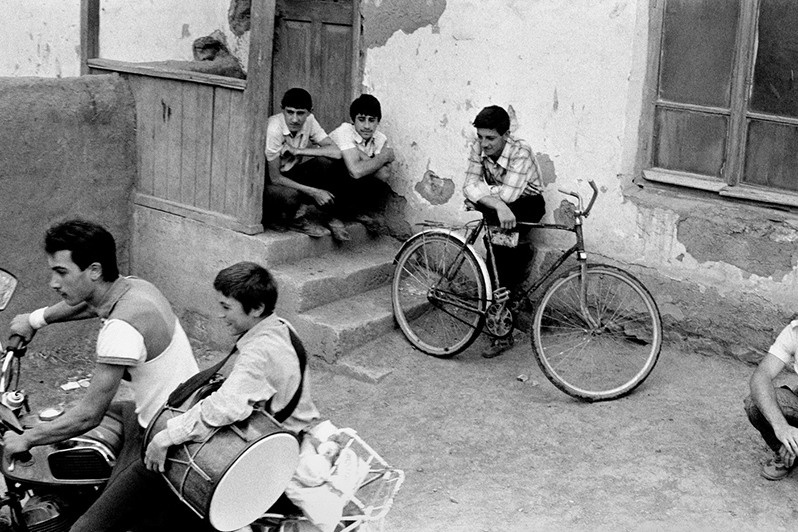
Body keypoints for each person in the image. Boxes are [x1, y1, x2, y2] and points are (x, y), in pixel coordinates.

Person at [3, 219, 201, 531]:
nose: (53, 282)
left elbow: (88, 416)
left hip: (162, 439)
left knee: (86, 528)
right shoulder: (135, 287)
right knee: (54, 426)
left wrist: (25, 439)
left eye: (61, 272)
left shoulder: (121, 329)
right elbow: (90, 304)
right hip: (172, 410)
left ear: (94, 270)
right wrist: (36, 319)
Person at [144, 261, 320, 476]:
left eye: (227, 307)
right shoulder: (281, 326)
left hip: (277, 446)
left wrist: (166, 437)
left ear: (256, 309)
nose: (221, 314)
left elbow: (225, 407)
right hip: (295, 431)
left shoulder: (258, 353)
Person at [462, 105, 546, 359]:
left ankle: (501, 309)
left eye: (491, 138)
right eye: (480, 137)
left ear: (506, 135)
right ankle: (501, 329)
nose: (483, 144)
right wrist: (495, 203)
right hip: (500, 207)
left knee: (502, 254)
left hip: (527, 204)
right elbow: (468, 185)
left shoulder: (521, 151)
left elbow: (510, 194)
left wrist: (481, 197)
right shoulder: (478, 147)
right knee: (500, 254)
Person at [263, 87, 350, 241]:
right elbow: (275, 178)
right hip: (272, 183)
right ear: (282, 109)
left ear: (309, 111)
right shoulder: (274, 129)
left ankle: (329, 215)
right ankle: (293, 221)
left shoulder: (310, 121)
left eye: (300, 113)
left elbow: (336, 152)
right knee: (290, 195)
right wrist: (314, 192)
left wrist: (299, 151)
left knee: (328, 163)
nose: (295, 119)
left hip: (293, 173)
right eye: (290, 112)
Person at [328, 94, 395, 233]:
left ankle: (355, 212)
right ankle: (331, 216)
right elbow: (356, 171)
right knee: (343, 170)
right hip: (324, 180)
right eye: (361, 119)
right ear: (353, 120)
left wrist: (362, 159)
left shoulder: (380, 138)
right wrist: (384, 157)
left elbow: (384, 174)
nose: (366, 126)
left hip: (351, 181)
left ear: (378, 122)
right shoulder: (344, 131)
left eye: (372, 120)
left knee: (379, 185)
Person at [745, 318, 798, 480]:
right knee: (755, 403)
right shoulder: (794, 332)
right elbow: (761, 376)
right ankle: (789, 451)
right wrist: (782, 427)